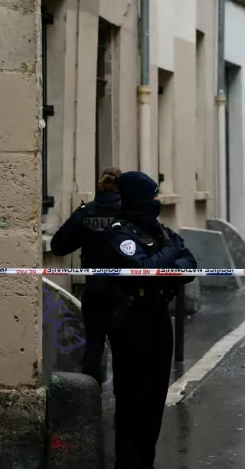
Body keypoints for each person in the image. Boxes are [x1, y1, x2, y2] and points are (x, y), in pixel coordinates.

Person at [95, 171, 197, 469]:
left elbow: (189, 264)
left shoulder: (159, 230)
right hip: (130, 322)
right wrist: (169, 254)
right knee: (131, 399)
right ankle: (127, 463)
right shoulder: (119, 232)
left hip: (158, 319)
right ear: (139, 197)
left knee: (154, 400)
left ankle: (146, 462)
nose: (157, 200)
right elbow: (142, 268)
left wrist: (166, 258)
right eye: (152, 195)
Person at [50, 167, 123, 383]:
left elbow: (58, 246)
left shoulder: (86, 211)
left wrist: (83, 238)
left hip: (95, 291)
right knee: (123, 349)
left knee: (93, 346)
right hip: (123, 294)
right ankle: (125, 404)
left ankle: (90, 400)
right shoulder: (128, 213)